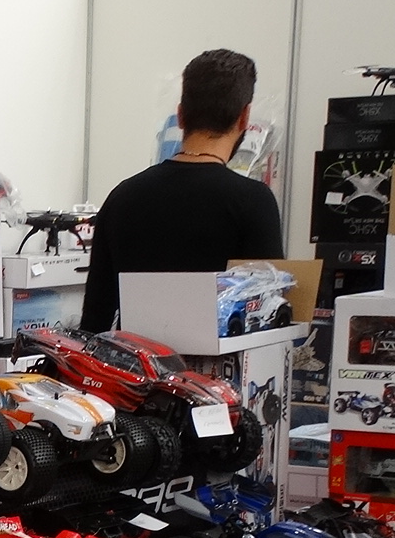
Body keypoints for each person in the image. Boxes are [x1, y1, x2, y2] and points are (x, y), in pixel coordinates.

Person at [81, 48, 285, 334]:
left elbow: (93, 323)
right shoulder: (253, 202)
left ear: (180, 116)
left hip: (136, 361)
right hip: (220, 364)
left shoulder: (122, 198)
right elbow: (267, 316)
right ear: (244, 118)